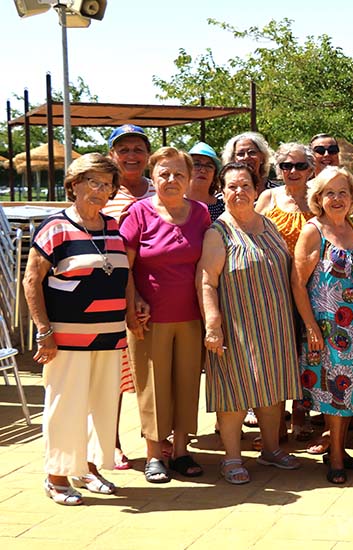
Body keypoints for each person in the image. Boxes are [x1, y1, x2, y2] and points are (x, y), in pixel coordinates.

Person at [25, 153, 128, 505]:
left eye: (107, 184)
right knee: (65, 405)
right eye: (93, 182)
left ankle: (88, 468)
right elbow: (31, 280)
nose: (101, 190)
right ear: (74, 185)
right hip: (66, 337)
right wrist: (43, 331)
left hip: (110, 334)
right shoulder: (55, 227)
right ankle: (56, 476)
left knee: (100, 404)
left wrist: (134, 308)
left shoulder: (113, 227)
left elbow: (122, 277)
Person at [197, 163, 303, 485]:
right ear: (222, 192)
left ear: (257, 191)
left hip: (274, 326)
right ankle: (231, 457)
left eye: (245, 185)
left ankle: (270, 449)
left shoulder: (270, 225)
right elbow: (206, 281)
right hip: (237, 328)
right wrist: (212, 325)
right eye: (232, 186)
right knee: (234, 393)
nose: (239, 191)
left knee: (273, 390)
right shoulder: (219, 233)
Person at [120, 146, 212, 483]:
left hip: (191, 316)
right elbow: (123, 268)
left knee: (187, 384)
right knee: (152, 388)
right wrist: (134, 302)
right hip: (150, 318)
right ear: (153, 177)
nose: (171, 180)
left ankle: (183, 451)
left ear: (189, 179)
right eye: (164, 173)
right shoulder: (138, 214)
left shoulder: (201, 213)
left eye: (178, 174)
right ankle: (155, 455)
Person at [291, 166, 353, 484]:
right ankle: (336, 456)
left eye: (343, 192)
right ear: (319, 198)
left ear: (352, 196)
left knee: (351, 389)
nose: (337, 198)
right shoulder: (314, 230)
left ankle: (338, 448)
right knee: (333, 392)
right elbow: (298, 283)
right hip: (329, 328)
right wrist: (311, 326)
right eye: (330, 193)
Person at [255, 142, 318, 444]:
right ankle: (275, 424)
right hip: (274, 289)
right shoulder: (268, 197)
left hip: (313, 288)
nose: (293, 172)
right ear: (278, 169)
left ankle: (302, 415)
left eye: (300, 166)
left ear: (311, 169)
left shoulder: (318, 198)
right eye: (286, 166)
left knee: (305, 353)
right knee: (278, 356)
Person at [102, 123, 153, 471]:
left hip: (158, 293)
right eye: (124, 149)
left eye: (137, 148)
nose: (131, 155)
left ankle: (157, 440)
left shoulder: (160, 189)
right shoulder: (103, 194)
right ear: (112, 156)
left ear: (148, 155)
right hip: (111, 296)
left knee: (153, 372)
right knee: (113, 374)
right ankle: (111, 442)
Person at [186, 142, 224, 219]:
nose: (203, 170)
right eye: (196, 164)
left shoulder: (223, 208)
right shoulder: (174, 203)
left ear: (214, 174)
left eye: (209, 166)